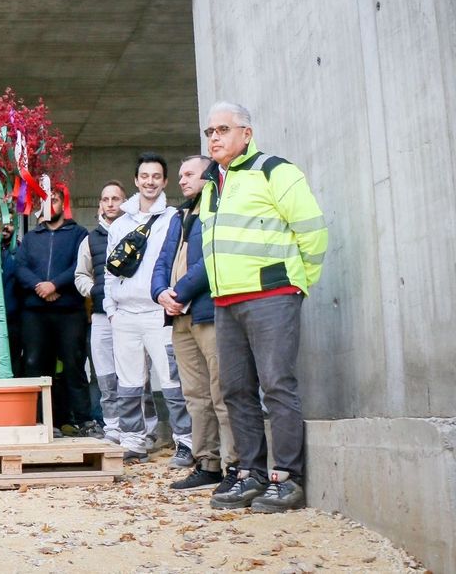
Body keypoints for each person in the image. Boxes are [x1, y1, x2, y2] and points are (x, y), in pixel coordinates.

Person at [200, 102, 327, 513]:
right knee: (236, 390)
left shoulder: (276, 171)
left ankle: (287, 479)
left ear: (246, 134)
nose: (214, 137)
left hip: (272, 296)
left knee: (276, 385)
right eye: (209, 132)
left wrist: (297, 282)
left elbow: (312, 231)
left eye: (222, 129)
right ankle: (250, 475)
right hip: (226, 302)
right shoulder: (210, 184)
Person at [151, 155, 238, 492]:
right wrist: (160, 292)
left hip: (208, 311)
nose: (183, 180)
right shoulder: (180, 215)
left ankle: (236, 466)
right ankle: (208, 463)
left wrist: (180, 291)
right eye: (182, 173)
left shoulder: (218, 208)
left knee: (222, 392)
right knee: (195, 395)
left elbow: (212, 258)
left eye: (190, 174)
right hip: (179, 317)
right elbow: (163, 259)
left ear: (209, 176)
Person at [104, 152, 194, 466]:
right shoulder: (120, 223)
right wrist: (111, 308)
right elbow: (108, 270)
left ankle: (187, 442)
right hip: (124, 315)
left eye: (156, 176)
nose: (150, 182)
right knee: (128, 384)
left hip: (159, 313)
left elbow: (179, 263)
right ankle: (133, 442)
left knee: (172, 380)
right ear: (136, 180)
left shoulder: (173, 218)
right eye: (145, 176)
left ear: (164, 181)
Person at [76, 181, 160, 445]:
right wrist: (95, 291)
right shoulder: (90, 239)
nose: (110, 203)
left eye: (116, 198)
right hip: (102, 316)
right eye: (105, 199)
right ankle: (113, 427)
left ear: (125, 202)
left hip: (133, 314)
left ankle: (145, 430)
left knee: (139, 375)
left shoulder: (140, 231)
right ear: (100, 204)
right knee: (105, 375)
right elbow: (80, 274)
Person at [14, 187, 94, 436]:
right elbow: (20, 267)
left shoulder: (79, 233)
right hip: (35, 313)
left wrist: (55, 285)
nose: (49, 205)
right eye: (44, 201)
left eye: (55, 200)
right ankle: (41, 421)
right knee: (35, 364)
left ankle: (84, 421)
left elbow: (79, 266)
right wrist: (41, 288)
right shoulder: (30, 237)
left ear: (63, 204)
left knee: (73, 365)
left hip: (69, 311)